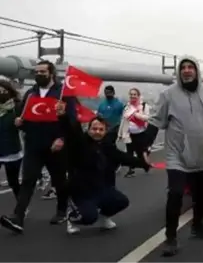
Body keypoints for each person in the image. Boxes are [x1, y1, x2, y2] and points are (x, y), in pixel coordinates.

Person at [143, 56, 203, 257]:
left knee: (201, 194)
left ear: (197, 71)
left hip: (202, 154)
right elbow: (155, 121)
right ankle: (170, 238)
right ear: (179, 72)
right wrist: (146, 146)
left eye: (190, 67)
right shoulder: (168, 94)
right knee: (175, 193)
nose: (186, 70)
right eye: (183, 67)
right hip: (177, 154)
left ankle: (198, 226)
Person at [53, 100, 150, 234]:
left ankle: (104, 217)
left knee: (122, 201)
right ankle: (72, 217)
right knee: (89, 217)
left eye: (101, 129)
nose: (97, 132)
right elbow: (71, 132)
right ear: (89, 129)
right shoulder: (80, 143)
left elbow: (123, 157)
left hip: (102, 188)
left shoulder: (107, 146)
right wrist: (62, 116)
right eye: (94, 129)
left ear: (105, 131)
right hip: (82, 192)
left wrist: (144, 163)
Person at [1, 60, 76, 233]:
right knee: (28, 181)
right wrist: (20, 123)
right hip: (34, 144)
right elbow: (24, 117)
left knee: (59, 181)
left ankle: (62, 210)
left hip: (55, 145)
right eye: (36, 72)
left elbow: (72, 121)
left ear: (51, 73)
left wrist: (62, 138)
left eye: (42, 72)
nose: (38, 74)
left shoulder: (63, 94)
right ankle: (18, 218)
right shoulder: (30, 93)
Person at [118, 88, 151, 177]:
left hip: (140, 133)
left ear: (138, 95)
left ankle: (145, 164)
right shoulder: (127, 107)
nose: (133, 96)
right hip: (129, 134)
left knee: (140, 153)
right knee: (130, 153)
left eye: (135, 94)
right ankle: (131, 170)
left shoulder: (144, 106)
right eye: (131, 94)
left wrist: (135, 114)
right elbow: (123, 121)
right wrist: (120, 134)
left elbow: (147, 118)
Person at [0, 80, 22, 200]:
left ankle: (21, 207)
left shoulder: (17, 107)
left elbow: (28, 125)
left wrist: (21, 124)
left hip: (12, 150)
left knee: (13, 182)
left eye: (3, 91)